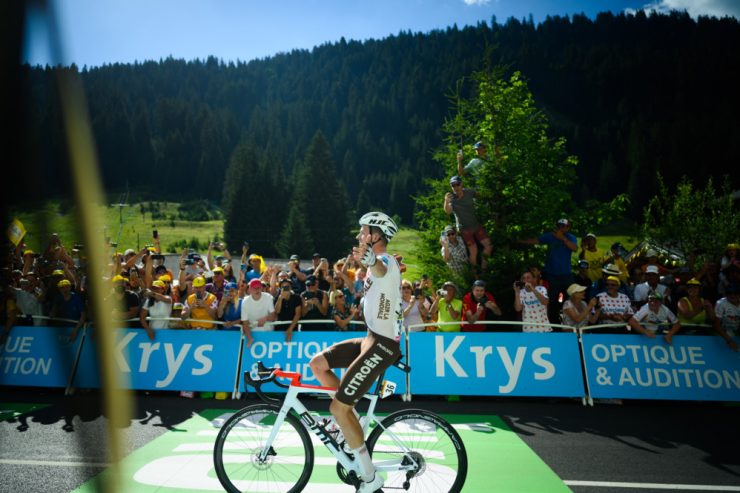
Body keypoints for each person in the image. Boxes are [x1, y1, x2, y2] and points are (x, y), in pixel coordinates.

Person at [308, 211, 402, 493]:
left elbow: (381, 268)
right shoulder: (378, 264)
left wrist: (371, 260)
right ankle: (347, 419)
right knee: (317, 364)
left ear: (376, 236)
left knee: (337, 408)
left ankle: (370, 478)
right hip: (370, 338)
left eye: (363, 232)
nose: (359, 236)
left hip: (383, 344)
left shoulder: (385, 262)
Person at [521, 218, 578, 323]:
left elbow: (575, 248)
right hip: (551, 275)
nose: (561, 228)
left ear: (569, 228)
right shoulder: (550, 236)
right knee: (551, 300)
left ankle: (571, 321)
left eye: (564, 226)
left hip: (566, 275)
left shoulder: (571, 237)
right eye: (559, 225)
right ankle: (552, 322)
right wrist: (519, 241)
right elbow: (536, 240)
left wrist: (563, 239)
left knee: (571, 298)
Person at [443, 175, 492, 269]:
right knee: (473, 251)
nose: (456, 187)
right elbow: (448, 211)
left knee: (488, 246)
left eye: (457, 184)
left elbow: (480, 195)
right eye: (453, 185)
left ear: (462, 184)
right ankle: (475, 275)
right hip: (465, 229)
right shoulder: (451, 198)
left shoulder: (469, 192)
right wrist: (446, 201)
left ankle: (484, 269)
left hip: (476, 225)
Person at [241, 278, 276, 345]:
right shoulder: (245, 301)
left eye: (259, 287)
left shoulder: (268, 297)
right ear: (250, 290)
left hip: (268, 331)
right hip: (252, 332)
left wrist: (265, 319)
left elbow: (273, 317)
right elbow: (245, 323)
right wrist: (249, 338)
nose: (257, 290)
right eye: (254, 288)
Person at [712, 283, 739, 351]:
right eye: (729, 293)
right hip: (723, 330)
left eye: (735, 293)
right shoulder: (721, 303)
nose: (732, 295)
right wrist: (730, 341)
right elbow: (716, 326)